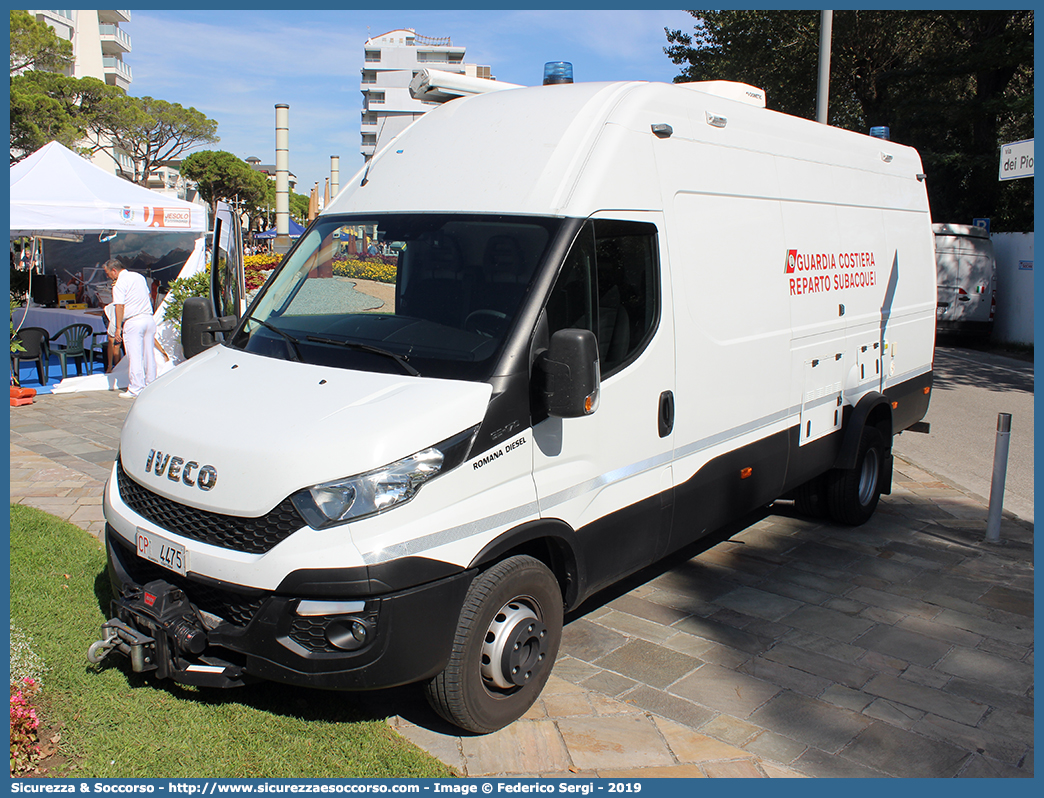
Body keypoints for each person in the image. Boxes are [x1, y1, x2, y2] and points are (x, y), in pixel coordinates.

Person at [103, 259, 156, 399]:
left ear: (114, 271)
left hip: (133, 320)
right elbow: (149, 296)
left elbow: (119, 305)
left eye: (108, 273)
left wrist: (118, 327)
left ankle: (135, 388)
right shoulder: (139, 277)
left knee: (135, 355)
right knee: (149, 354)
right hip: (148, 317)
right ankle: (151, 383)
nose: (108, 276)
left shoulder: (120, 282)